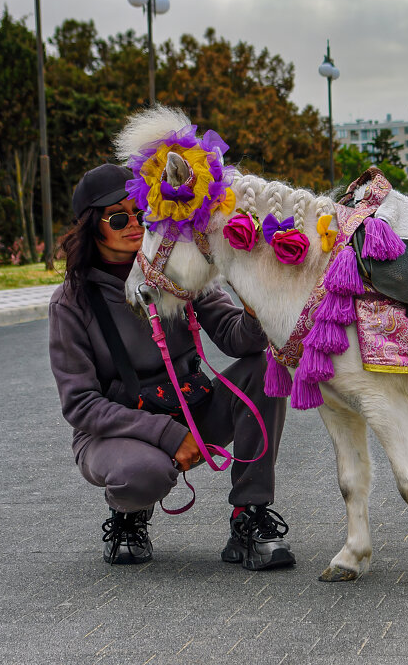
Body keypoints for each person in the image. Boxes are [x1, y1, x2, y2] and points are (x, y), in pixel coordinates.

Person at [48, 163, 294, 570]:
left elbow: (238, 339)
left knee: (265, 366)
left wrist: (254, 301)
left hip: (194, 410)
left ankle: (248, 516)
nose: (134, 225)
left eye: (142, 214)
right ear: (93, 227)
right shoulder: (71, 302)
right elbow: (80, 405)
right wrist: (166, 434)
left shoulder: (173, 269)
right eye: (119, 217)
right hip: (118, 431)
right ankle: (128, 516)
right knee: (141, 473)